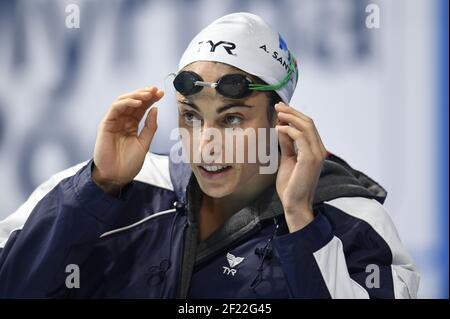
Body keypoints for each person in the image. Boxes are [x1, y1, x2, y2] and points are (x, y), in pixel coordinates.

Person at [0, 12, 419, 298]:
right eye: (190, 117)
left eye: (232, 119)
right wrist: (97, 190)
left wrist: (302, 224)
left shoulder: (352, 224)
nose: (205, 144)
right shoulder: (111, 190)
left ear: (282, 121)